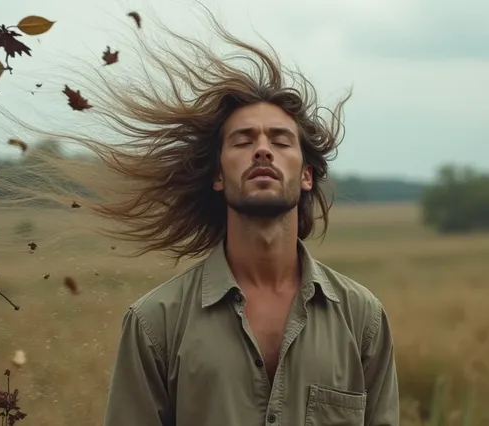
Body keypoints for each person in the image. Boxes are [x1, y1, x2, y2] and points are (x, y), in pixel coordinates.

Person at [100, 7, 400, 426]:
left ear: (308, 175)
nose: (263, 150)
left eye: (280, 140)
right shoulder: (155, 323)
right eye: (243, 141)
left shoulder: (362, 318)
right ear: (219, 176)